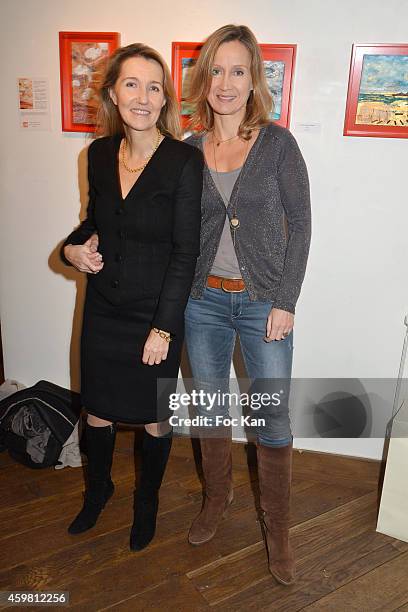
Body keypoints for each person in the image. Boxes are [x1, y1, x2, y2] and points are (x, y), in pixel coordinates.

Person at [61, 43, 203, 551]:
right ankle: (97, 492)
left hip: (155, 314)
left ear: (165, 99)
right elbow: (93, 222)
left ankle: (148, 504)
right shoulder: (97, 154)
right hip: (103, 309)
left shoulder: (184, 161)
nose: (143, 97)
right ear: (112, 94)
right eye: (132, 84)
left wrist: (163, 329)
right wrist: (72, 250)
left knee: (153, 417)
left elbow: (186, 253)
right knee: (96, 410)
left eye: (154, 86)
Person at [184, 25, 311, 585]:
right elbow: (170, 229)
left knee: (270, 416)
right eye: (217, 70)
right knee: (209, 406)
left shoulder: (279, 143)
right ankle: (218, 498)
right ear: (203, 77)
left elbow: (302, 225)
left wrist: (285, 300)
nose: (226, 82)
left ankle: (277, 530)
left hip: (264, 305)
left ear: (253, 77)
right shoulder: (187, 151)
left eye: (238, 70)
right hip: (202, 302)